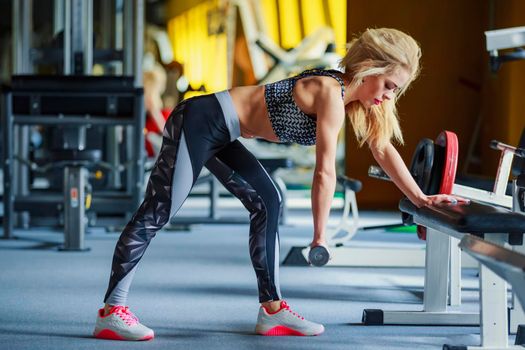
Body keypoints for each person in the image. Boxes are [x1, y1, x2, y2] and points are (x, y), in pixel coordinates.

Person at [93, 28, 468, 341]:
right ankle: (112, 310)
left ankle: (272, 309)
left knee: (268, 201)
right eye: (388, 85)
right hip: (201, 119)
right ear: (369, 68)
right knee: (160, 209)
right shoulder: (329, 91)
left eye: (396, 91)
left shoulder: (354, 102)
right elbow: (324, 172)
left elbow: (382, 148)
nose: (389, 96)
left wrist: (419, 197)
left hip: (222, 131)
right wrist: (321, 236)